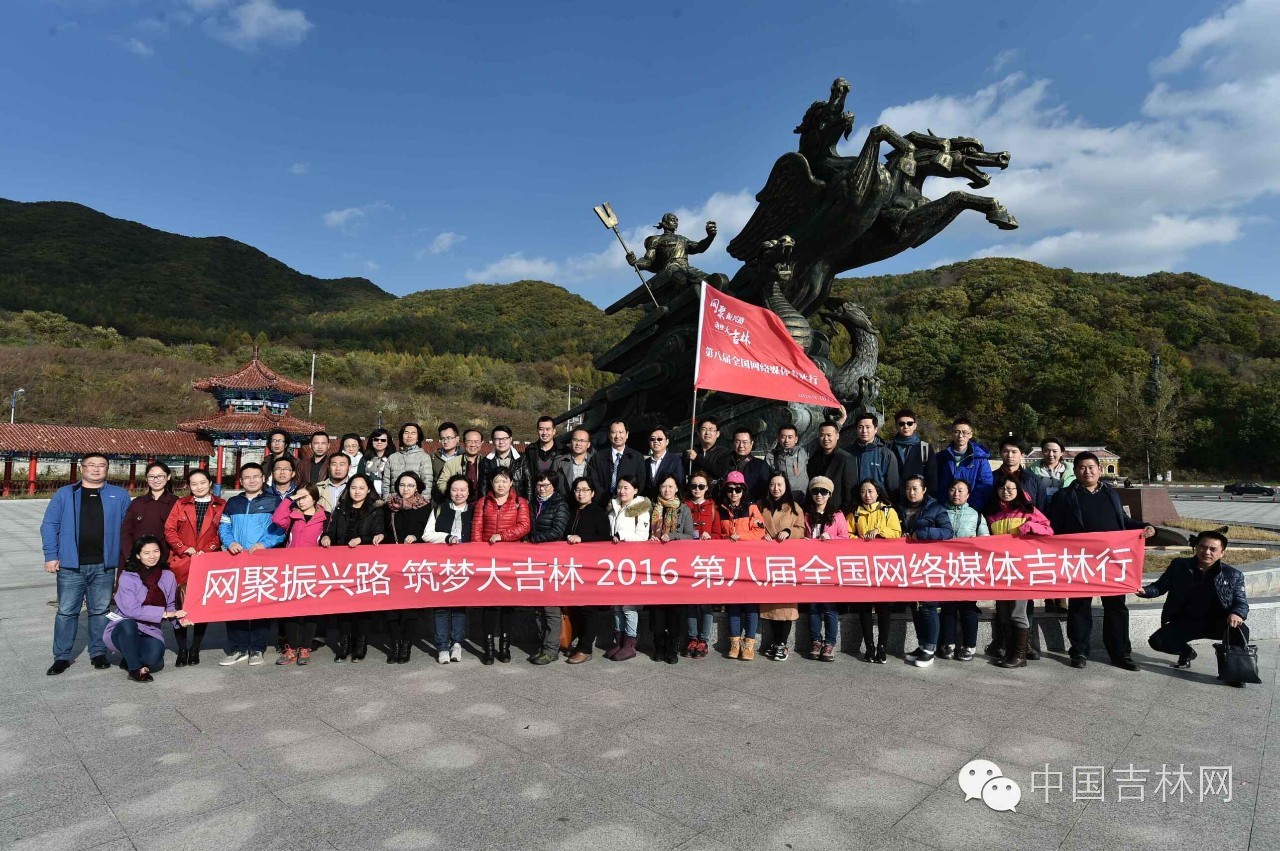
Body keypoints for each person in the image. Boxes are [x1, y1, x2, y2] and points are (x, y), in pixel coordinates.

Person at [1047, 451, 1155, 670]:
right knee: (1079, 606)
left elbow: (1122, 520)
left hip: (1111, 560)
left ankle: (1120, 653)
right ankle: (1079, 651)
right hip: (1080, 560)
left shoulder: (1110, 493)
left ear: (1099, 469)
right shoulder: (1064, 496)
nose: (1087, 471)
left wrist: (1144, 526)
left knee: (1116, 606)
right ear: (1075, 471)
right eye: (1082, 468)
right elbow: (1052, 528)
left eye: (1091, 467)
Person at [42, 453, 130, 676]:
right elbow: (49, 525)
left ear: (107, 469)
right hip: (71, 565)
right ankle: (61, 656)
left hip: (104, 565)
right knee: (66, 612)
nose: (97, 469)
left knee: (100, 611)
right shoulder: (66, 494)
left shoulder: (118, 495)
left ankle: (98, 652)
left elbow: (126, 529)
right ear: (82, 468)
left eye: (102, 466)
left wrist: (125, 561)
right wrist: (51, 555)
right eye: (91, 465)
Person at [1137, 530, 1251, 686]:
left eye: (1213, 549)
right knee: (1157, 641)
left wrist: (1237, 613)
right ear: (1196, 547)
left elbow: (1241, 602)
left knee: (1240, 630)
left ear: (1222, 553)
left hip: (1218, 623)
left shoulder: (1233, 575)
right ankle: (1187, 652)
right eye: (1203, 547)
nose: (1207, 552)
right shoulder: (1179, 565)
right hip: (1187, 621)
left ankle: (1235, 673)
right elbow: (1159, 587)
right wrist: (1144, 591)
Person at [216, 463, 284, 666]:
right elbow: (224, 526)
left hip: (262, 561)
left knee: (259, 605)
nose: (252, 480)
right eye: (247, 477)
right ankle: (237, 648)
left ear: (263, 478)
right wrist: (230, 543)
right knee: (235, 604)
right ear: (241, 480)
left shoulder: (274, 501)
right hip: (236, 560)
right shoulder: (233, 502)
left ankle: (257, 648)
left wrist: (265, 543)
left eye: (256, 476)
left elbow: (281, 528)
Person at [985, 477, 1054, 668]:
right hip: (1000, 570)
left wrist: (1029, 526)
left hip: (1021, 570)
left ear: (1018, 490)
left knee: (1018, 612)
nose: (1005, 491)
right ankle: (1009, 651)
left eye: (1010, 488)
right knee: (1004, 613)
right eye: (1001, 487)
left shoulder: (1028, 511)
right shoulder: (993, 515)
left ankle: (1020, 655)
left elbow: (1049, 530)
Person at [319, 473, 384, 662]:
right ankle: (344, 645)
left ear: (368, 490)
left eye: (361, 488)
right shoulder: (340, 509)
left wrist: (362, 540)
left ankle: (360, 646)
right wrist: (326, 536)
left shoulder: (375, 510)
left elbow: (378, 534)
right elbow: (331, 530)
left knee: (362, 609)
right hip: (341, 566)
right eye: (354, 487)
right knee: (343, 608)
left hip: (364, 566)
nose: (357, 491)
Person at [164, 469, 225, 666]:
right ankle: (182, 648)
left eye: (202, 482)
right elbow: (170, 529)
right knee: (179, 606)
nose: (199, 487)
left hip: (207, 561)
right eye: (194, 483)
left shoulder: (221, 505)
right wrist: (184, 548)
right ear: (189, 486)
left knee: (200, 606)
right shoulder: (180, 504)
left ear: (209, 483)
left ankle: (195, 647)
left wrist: (207, 550)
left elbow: (221, 531)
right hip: (181, 560)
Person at [103, 536, 182, 682]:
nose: (152, 556)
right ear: (138, 555)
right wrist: (163, 614)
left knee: (153, 659)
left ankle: (130, 656)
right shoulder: (127, 577)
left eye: (156, 551)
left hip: (150, 629)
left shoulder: (168, 576)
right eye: (146, 553)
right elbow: (131, 611)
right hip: (124, 628)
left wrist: (180, 620)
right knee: (128, 624)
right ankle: (135, 670)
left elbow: (171, 605)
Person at [473, 468, 531, 664]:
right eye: (497, 481)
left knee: (508, 604)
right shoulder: (483, 503)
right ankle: (488, 647)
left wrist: (503, 536)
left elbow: (524, 526)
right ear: (491, 483)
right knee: (489, 605)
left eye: (504, 481)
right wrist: (477, 554)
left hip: (510, 559)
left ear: (511, 483)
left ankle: (504, 646)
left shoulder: (519, 502)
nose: (501, 485)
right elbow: (476, 530)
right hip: (488, 560)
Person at [898, 474, 954, 667]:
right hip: (909, 564)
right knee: (915, 606)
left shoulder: (936, 508)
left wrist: (921, 534)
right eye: (908, 488)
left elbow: (948, 532)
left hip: (930, 564)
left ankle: (930, 649)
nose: (911, 492)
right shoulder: (900, 508)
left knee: (929, 606)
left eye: (915, 488)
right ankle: (922, 645)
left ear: (924, 490)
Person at [270, 484, 328, 666]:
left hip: (314, 571)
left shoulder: (325, 518)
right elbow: (277, 518)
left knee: (310, 610)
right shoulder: (292, 517)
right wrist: (290, 499)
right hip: (292, 570)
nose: (301, 501)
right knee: (291, 610)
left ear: (314, 498)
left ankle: (305, 648)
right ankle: (291, 648)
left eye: (304, 497)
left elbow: (331, 535)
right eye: (299, 497)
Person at [421, 474, 475, 664]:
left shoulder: (475, 510)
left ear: (469, 492)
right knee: (441, 607)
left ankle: (457, 643)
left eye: (462, 490)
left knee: (459, 607)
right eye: (454, 489)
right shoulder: (439, 508)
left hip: (465, 565)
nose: (458, 493)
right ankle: (442, 646)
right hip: (441, 564)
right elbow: (427, 535)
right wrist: (446, 538)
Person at [382, 472, 432, 664]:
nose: (406, 489)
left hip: (414, 564)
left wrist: (417, 538)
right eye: (402, 485)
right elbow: (383, 530)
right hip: (392, 563)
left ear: (417, 487)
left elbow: (429, 533)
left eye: (410, 485)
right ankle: (395, 643)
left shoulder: (425, 508)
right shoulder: (389, 507)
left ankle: (406, 645)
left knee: (410, 609)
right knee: (391, 608)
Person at [938, 479, 988, 661]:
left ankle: (969, 646)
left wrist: (976, 540)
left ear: (968, 494)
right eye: (953, 490)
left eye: (961, 490)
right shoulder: (939, 512)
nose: (956, 494)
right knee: (948, 607)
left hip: (969, 568)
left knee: (968, 608)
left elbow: (987, 541)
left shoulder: (976, 515)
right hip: (946, 567)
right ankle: (948, 644)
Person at [719, 470, 766, 660]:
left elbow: (759, 531)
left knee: (751, 604)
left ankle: (749, 644)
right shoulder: (720, 509)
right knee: (733, 604)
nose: (734, 493)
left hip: (749, 564)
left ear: (743, 490)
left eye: (738, 489)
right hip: (730, 564)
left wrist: (741, 537)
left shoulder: (752, 508)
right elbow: (719, 534)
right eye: (730, 489)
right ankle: (735, 643)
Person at [564, 476, 612, 664]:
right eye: (577, 489)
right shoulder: (571, 511)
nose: (580, 493)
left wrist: (582, 539)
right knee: (577, 607)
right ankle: (578, 644)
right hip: (572, 568)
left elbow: (604, 538)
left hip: (591, 568)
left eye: (585, 490)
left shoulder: (598, 512)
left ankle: (586, 648)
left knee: (588, 608)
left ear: (592, 493)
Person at [648, 473, 695, 663]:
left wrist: (673, 536)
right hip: (655, 567)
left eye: (670, 486)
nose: (667, 490)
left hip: (678, 568)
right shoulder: (652, 508)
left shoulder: (684, 510)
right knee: (657, 610)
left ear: (677, 489)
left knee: (676, 610)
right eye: (663, 486)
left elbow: (690, 536)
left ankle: (672, 648)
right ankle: (658, 646)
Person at [759, 472, 805, 661]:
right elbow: (752, 527)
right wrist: (761, 534)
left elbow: (801, 530)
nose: (776, 488)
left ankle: (782, 643)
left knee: (786, 605)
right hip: (766, 562)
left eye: (780, 484)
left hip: (786, 562)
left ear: (786, 486)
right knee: (770, 603)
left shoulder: (794, 508)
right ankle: (774, 642)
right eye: (772, 484)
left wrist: (788, 531)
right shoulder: (760, 506)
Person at [606, 475, 651, 661]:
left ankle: (630, 643)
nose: (622, 491)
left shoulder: (641, 509)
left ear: (635, 490)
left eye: (626, 488)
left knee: (628, 605)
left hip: (632, 562)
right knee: (616, 604)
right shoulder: (613, 506)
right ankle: (619, 640)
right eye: (619, 487)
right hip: (614, 560)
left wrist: (621, 535)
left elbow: (643, 536)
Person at [528, 472, 570, 665]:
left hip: (552, 560)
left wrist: (532, 540)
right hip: (535, 560)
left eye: (546, 485)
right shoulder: (534, 503)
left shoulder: (559, 504)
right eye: (539, 485)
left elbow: (557, 531)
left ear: (553, 486)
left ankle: (551, 649)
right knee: (538, 608)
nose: (542, 488)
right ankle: (542, 645)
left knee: (551, 607)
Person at [682, 470, 718, 658]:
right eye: (694, 486)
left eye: (701, 486)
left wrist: (710, 536)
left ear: (707, 488)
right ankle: (692, 637)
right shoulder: (683, 506)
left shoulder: (713, 507)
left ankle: (704, 640)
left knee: (705, 602)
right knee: (690, 602)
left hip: (707, 561)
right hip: (687, 560)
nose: (697, 489)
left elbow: (720, 534)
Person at [121, 462, 178, 567]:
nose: (156, 480)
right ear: (146, 479)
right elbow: (126, 532)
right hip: (137, 560)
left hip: (164, 561)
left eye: (160, 476)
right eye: (151, 476)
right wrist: (130, 555)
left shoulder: (177, 503)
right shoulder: (137, 503)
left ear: (168, 477)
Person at [932, 418, 993, 510]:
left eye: (964, 432)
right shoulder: (941, 457)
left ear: (970, 434)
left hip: (970, 510)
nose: (960, 435)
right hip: (943, 509)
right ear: (952, 433)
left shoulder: (980, 459)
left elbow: (984, 486)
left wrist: (971, 509)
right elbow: (933, 483)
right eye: (957, 431)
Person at [847, 413, 901, 502]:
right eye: (860, 427)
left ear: (876, 429)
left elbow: (893, 486)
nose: (864, 431)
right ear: (856, 429)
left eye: (868, 427)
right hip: (853, 505)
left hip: (879, 506)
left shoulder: (886, 454)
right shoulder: (848, 453)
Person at [590, 420, 645, 505]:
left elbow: (640, 482)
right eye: (614, 432)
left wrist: (626, 500)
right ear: (609, 435)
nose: (617, 436)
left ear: (627, 434)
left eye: (621, 432)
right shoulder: (598, 457)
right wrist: (606, 500)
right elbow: (594, 481)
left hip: (628, 505)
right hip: (602, 504)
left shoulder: (637, 457)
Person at [807, 421, 858, 512]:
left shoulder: (845, 458)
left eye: (829, 435)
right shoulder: (813, 458)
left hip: (837, 510)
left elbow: (849, 490)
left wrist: (844, 512)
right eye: (822, 435)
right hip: (815, 510)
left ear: (837, 436)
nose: (825, 438)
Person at [889, 409, 935, 495]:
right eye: (901, 424)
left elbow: (932, 478)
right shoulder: (888, 448)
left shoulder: (925, 448)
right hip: (894, 497)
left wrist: (929, 499)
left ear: (915, 426)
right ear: (896, 426)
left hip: (918, 499)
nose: (906, 426)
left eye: (909, 423)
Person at [994, 435, 1045, 511]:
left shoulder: (1034, 480)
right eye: (1006, 451)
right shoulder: (991, 478)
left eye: (1014, 452)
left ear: (1022, 455)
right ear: (1000, 453)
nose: (1010, 455)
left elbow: (1041, 508)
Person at [436, 428, 486, 502]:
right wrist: (454, 495)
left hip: (482, 505)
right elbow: (442, 483)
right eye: (469, 441)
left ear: (482, 443)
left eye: (476, 442)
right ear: (463, 443)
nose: (473, 445)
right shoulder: (452, 463)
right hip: (459, 505)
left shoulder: (487, 462)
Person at [388, 422, 434, 500]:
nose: (409, 436)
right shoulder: (392, 457)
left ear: (418, 438)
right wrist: (388, 501)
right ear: (401, 436)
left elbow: (427, 483)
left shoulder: (424, 457)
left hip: (416, 505)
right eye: (406, 433)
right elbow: (386, 483)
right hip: (395, 504)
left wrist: (422, 503)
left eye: (413, 433)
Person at [481, 424, 528, 499]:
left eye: (505, 438)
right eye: (497, 439)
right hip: (494, 503)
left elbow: (528, 483)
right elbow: (483, 486)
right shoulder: (486, 461)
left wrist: (526, 502)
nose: (501, 442)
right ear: (493, 441)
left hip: (517, 503)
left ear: (511, 439)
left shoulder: (522, 459)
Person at [765, 423, 810, 500]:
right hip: (782, 499)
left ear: (796, 439)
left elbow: (820, 439)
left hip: (802, 499)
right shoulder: (771, 456)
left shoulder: (803, 451)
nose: (786, 440)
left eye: (790, 437)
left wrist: (838, 424)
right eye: (783, 437)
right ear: (778, 438)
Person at [524, 416, 562, 503]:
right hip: (535, 498)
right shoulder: (530, 450)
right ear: (537, 430)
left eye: (548, 429)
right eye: (541, 429)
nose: (544, 432)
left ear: (554, 431)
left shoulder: (562, 450)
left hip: (557, 498)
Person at [1025, 436, 1074, 503]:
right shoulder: (1031, 471)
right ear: (1042, 452)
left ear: (1061, 452)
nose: (1051, 454)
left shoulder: (1073, 472)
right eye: (1046, 451)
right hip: (1040, 509)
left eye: (1054, 451)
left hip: (1064, 508)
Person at [684, 416, 732, 483]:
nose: (707, 433)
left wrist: (697, 458)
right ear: (698, 432)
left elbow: (719, 472)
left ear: (718, 434)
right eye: (704, 429)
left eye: (711, 429)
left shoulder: (724, 452)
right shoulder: (691, 451)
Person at [728, 428, 771, 501]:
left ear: (751, 443)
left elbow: (765, 489)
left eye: (745, 442)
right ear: (733, 443)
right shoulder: (726, 462)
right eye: (737, 442)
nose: (741, 446)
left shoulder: (760, 465)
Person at [555, 427, 598, 499]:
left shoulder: (595, 461)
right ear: (571, 442)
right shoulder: (559, 462)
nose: (578, 443)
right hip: (565, 503)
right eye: (575, 440)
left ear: (588, 444)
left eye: (582, 441)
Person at [643, 426, 685, 499]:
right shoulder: (645, 462)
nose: (656, 441)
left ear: (667, 441)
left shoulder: (676, 460)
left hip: (669, 504)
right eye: (652, 439)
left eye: (660, 439)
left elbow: (680, 483)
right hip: (649, 504)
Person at [430, 422, 462, 503]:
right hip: (438, 501)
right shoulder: (433, 457)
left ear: (457, 439)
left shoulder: (464, 457)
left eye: (449, 438)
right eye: (442, 438)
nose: (445, 441)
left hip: (460, 499)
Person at [359, 427, 395, 498]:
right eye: (376, 439)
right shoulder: (364, 459)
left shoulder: (394, 459)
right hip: (368, 496)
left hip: (389, 497)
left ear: (388, 442)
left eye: (383, 440)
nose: (379, 442)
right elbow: (359, 477)